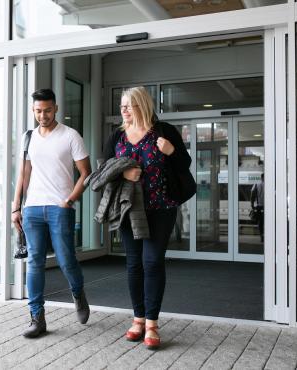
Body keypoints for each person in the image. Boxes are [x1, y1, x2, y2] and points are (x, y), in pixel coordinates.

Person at [102, 86, 191, 350]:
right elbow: (104, 170)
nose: (124, 110)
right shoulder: (117, 136)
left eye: (129, 105)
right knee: (134, 265)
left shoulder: (164, 132)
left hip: (161, 208)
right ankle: (137, 319)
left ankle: (152, 323)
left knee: (152, 262)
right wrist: (123, 174)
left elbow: (184, 164)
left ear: (143, 105)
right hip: (129, 209)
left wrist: (171, 151)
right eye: (121, 106)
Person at [11, 88, 92, 338]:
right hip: (33, 207)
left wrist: (70, 200)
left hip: (60, 207)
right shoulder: (28, 137)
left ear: (56, 108)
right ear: (33, 110)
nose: (42, 115)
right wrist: (16, 207)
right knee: (34, 262)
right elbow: (24, 174)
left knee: (66, 259)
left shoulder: (70, 136)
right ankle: (37, 318)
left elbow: (86, 173)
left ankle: (78, 293)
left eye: (47, 110)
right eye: (38, 111)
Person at [251, 173, 264, 242]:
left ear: (261, 178)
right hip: (267, 207)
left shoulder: (256, 184)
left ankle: (261, 235)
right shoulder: (271, 183)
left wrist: (252, 204)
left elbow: (252, 194)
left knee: (260, 222)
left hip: (259, 206)